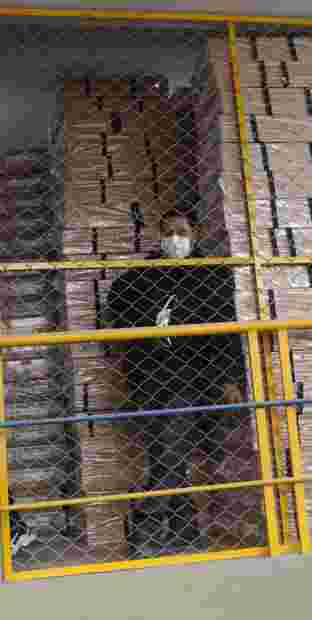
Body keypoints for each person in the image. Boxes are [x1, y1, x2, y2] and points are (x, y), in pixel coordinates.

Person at [105, 209, 246, 555]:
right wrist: (145, 327)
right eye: (168, 232)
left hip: (192, 377)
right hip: (151, 377)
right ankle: (186, 532)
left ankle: (145, 523)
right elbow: (117, 305)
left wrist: (230, 378)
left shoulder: (211, 275)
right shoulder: (144, 274)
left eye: (181, 232)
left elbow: (228, 331)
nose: (174, 240)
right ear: (158, 233)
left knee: (170, 451)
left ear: (194, 233)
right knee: (169, 455)